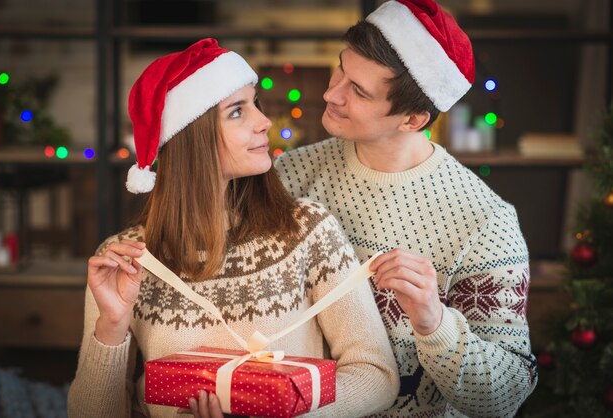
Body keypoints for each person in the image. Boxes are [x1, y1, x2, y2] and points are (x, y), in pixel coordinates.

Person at [67, 38, 399, 418]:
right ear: (192, 138)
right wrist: (110, 327)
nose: (264, 122)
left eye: (254, 104)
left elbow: (376, 374)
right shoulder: (126, 261)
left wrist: (284, 413)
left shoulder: (308, 231)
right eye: (237, 112)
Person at [274, 1, 538, 417]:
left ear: (413, 120)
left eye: (358, 91)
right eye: (340, 68)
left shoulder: (485, 223)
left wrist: (434, 322)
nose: (331, 93)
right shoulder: (289, 174)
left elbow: (506, 396)